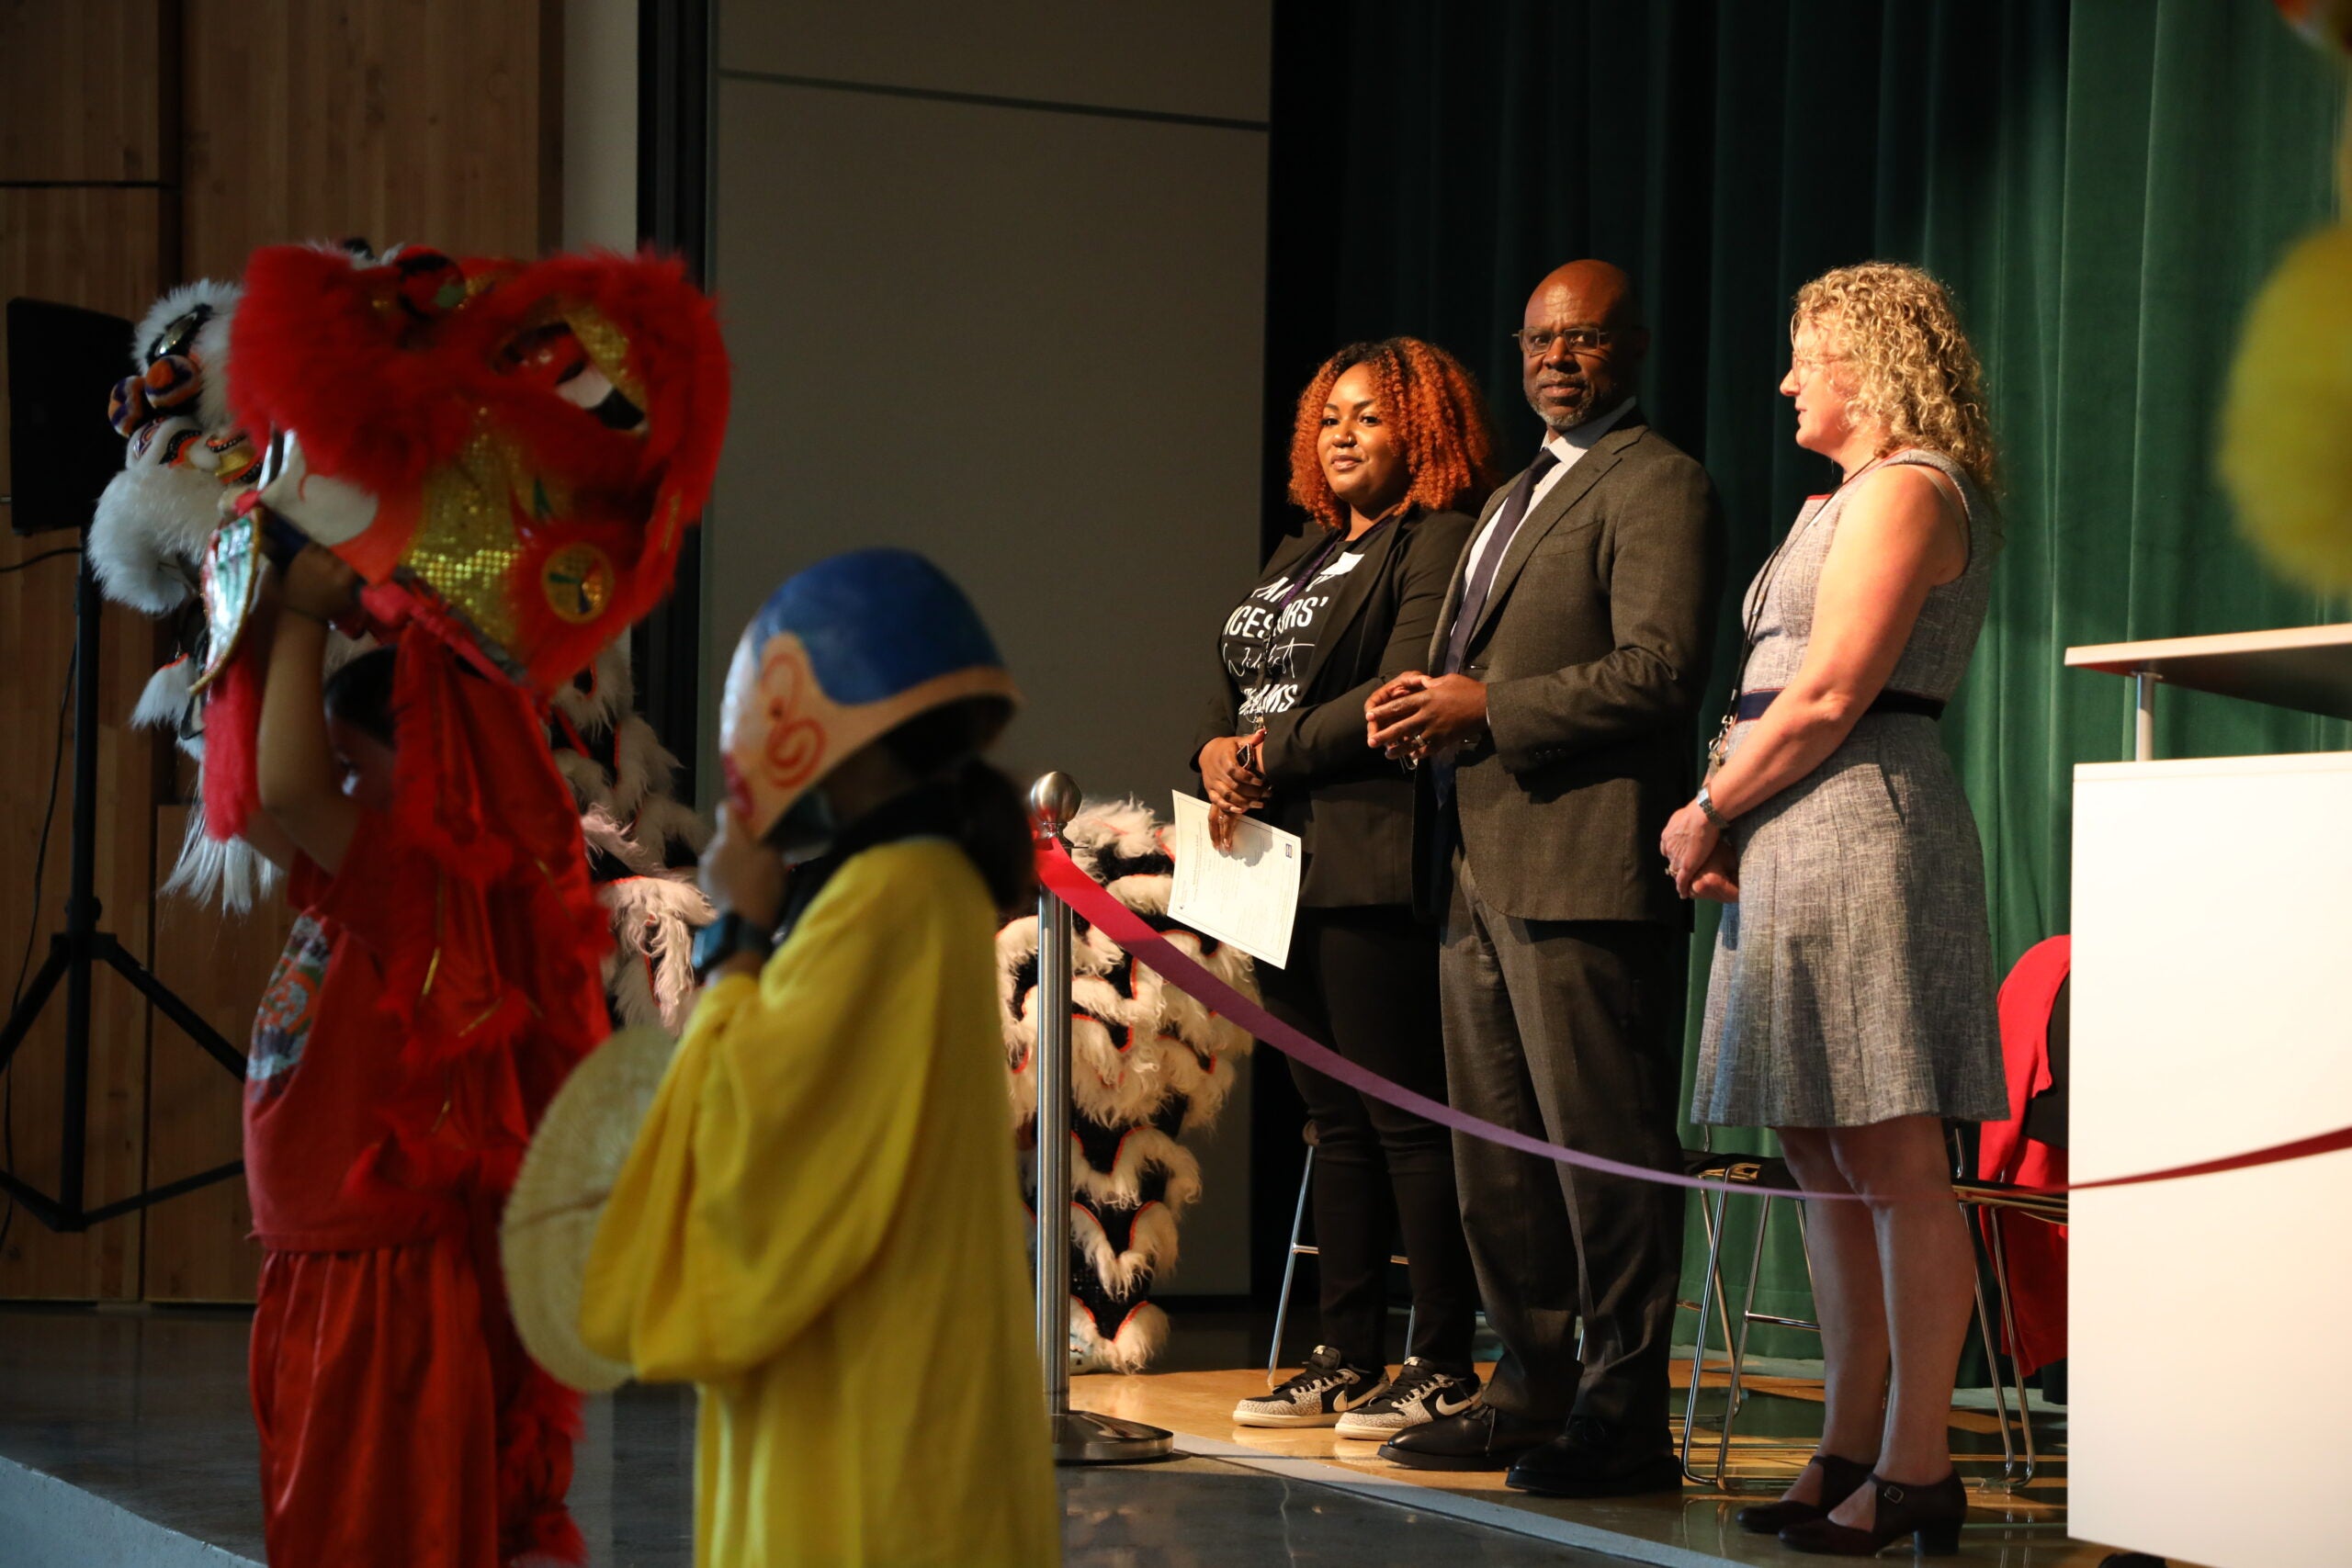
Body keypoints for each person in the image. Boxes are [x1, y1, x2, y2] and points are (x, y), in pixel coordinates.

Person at [575, 549, 1060, 1567]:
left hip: (870, 1417)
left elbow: (753, 1128)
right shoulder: (912, 886)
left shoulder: (889, 896)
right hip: (889, 1382)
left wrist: (739, 937)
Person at [1660, 261, 2005, 1555]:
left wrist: (1706, 807)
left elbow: (1826, 693)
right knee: (1817, 1148)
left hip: (1866, 826)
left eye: (1809, 354)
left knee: (1896, 1156)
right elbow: (1777, 693)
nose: (1789, 379)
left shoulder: (1915, 489)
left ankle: (1919, 1464)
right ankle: (1848, 1443)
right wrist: (1733, 808)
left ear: (1873, 361)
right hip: (1793, 832)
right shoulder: (1841, 499)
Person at [1365, 260, 1724, 1495]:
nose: (1556, 358)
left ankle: (1626, 1415)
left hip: (1583, 867)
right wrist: (1429, 710)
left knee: (1601, 1151)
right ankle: (1529, 1387)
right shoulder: (1515, 495)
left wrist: (1490, 705)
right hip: (1474, 860)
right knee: (1498, 1156)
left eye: (1583, 339)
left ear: (1630, 348)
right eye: (1537, 340)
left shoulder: (1659, 480)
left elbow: (1662, 667)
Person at [241, 544, 583, 1567]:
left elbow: (290, 787)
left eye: (358, 765)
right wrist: (256, 610)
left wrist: (304, 614)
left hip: (378, 1288)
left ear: (438, 758)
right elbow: (259, 799)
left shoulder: (426, 884)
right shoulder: (368, 875)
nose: (337, 788)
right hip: (321, 1272)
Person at [1198, 338, 1498, 1435]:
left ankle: (1440, 1356)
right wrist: (1209, 755)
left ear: (1418, 430)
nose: (1341, 434)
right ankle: (1344, 1352)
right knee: (1333, 1122)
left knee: (1400, 1115)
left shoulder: (1433, 542)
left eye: (1369, 417)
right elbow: (1237, 690)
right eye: (1330, 416)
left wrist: (1265, 753)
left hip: (1365, 858)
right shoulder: (1300, 551)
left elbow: (1394, 690)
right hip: (1264, 863)